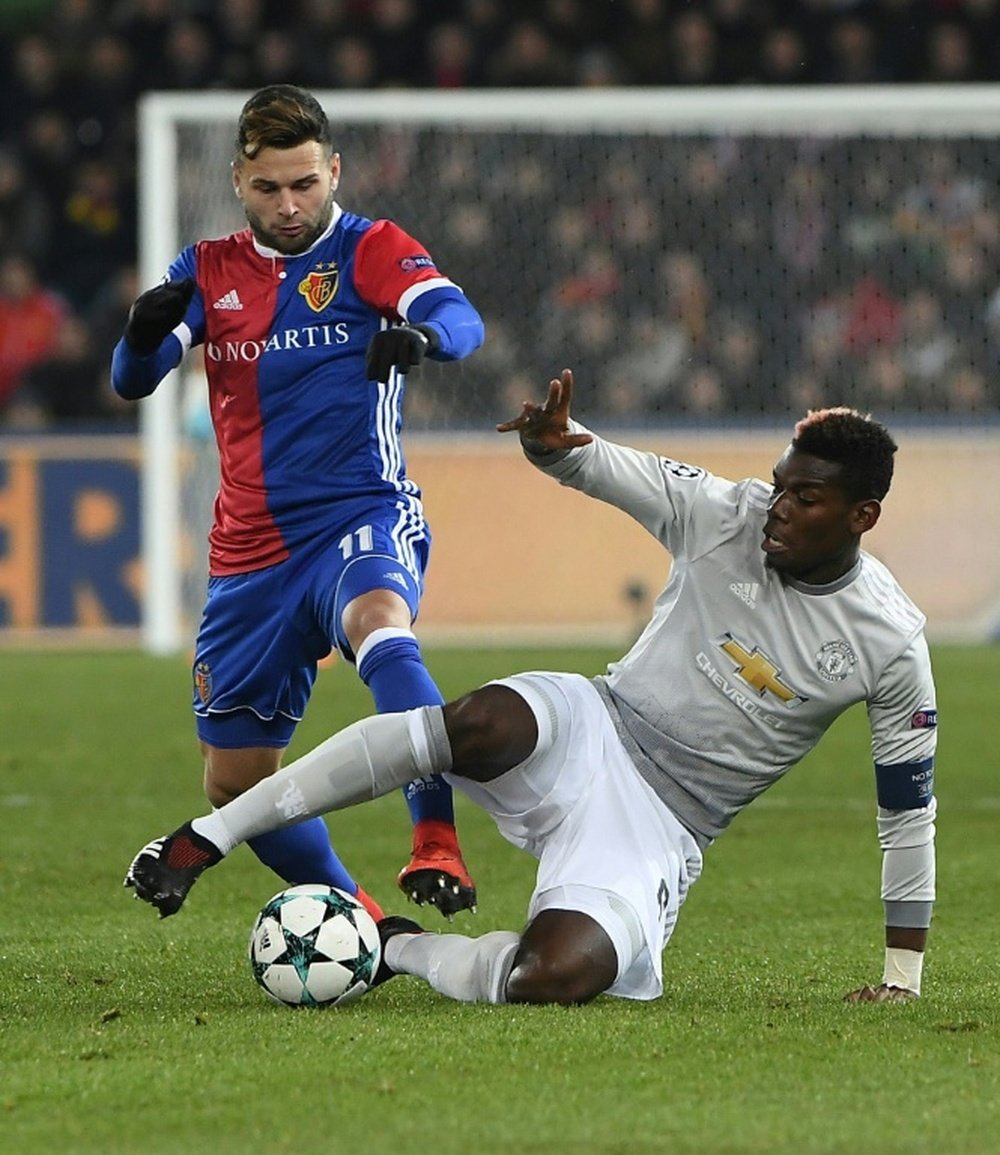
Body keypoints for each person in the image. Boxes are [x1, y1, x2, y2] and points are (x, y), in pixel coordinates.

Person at [125, 368, 937, 1007]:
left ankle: (387, 943)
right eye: (779, 483)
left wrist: (902, 975)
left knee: (551, 976)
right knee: (476, 721)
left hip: (664, 820)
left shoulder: (889, 642)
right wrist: (553, 444)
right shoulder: (727, 511)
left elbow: (908, 814)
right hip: (595, 720)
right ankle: (208, 835)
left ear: (862, 516)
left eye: (806, 497)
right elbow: (600, 463)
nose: (778, 509)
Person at [112, 85, 485, 920]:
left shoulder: (371, 249)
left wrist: (422, 336)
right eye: (270, 188)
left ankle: (436, 838)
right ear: (239, 178)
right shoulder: (206, 270)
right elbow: (134, 381)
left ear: (334, 171)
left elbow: (460, 319)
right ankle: (368, 923)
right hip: (250, 552)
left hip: (362, 510)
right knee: (236, 780)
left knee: (381, 623)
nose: (290, 205)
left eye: (306, 184)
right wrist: (141, 335)